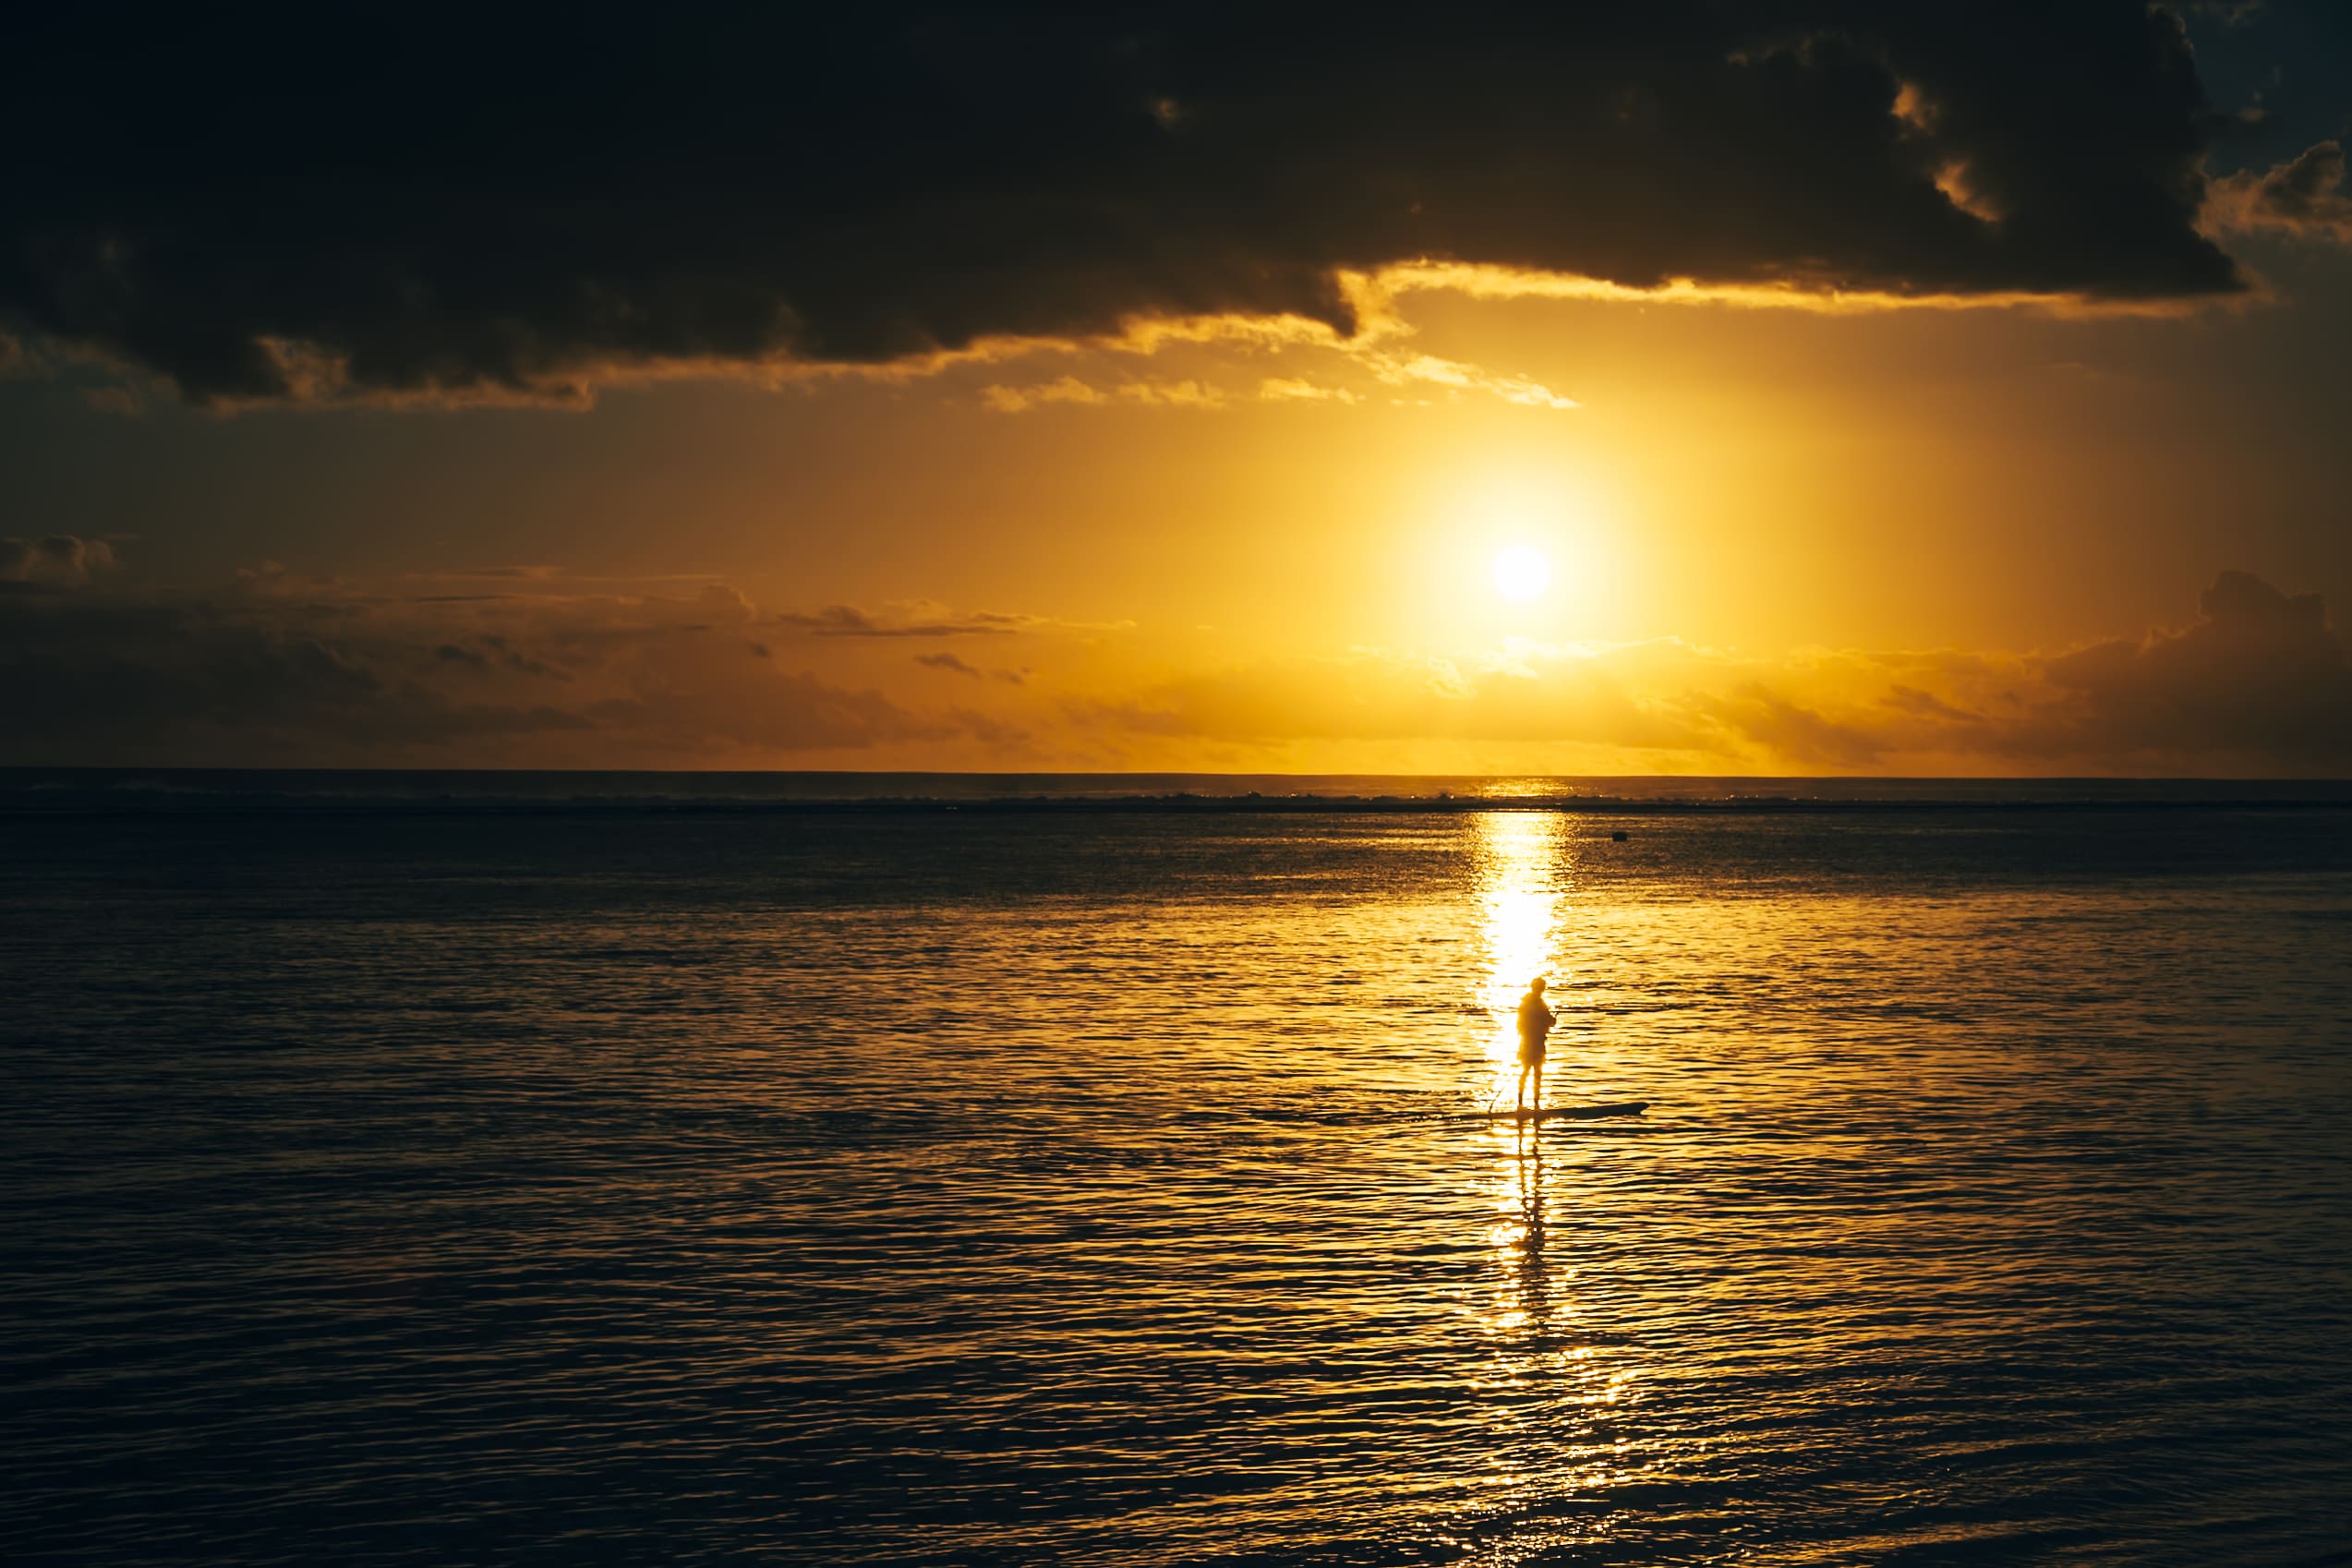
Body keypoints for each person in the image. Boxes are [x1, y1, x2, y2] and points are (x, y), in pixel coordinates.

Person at [1515, 976, 1556, 1113]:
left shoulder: (1525, 1002)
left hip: (1526, 1043)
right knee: (1536, 1073)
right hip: (1536, 1043)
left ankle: (1521, 1104)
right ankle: (1535, 1106)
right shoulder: (1538, 1004)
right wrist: (1552, 1020)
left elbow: (1520, 1024)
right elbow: (1548, 1020)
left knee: (1526, 1072)